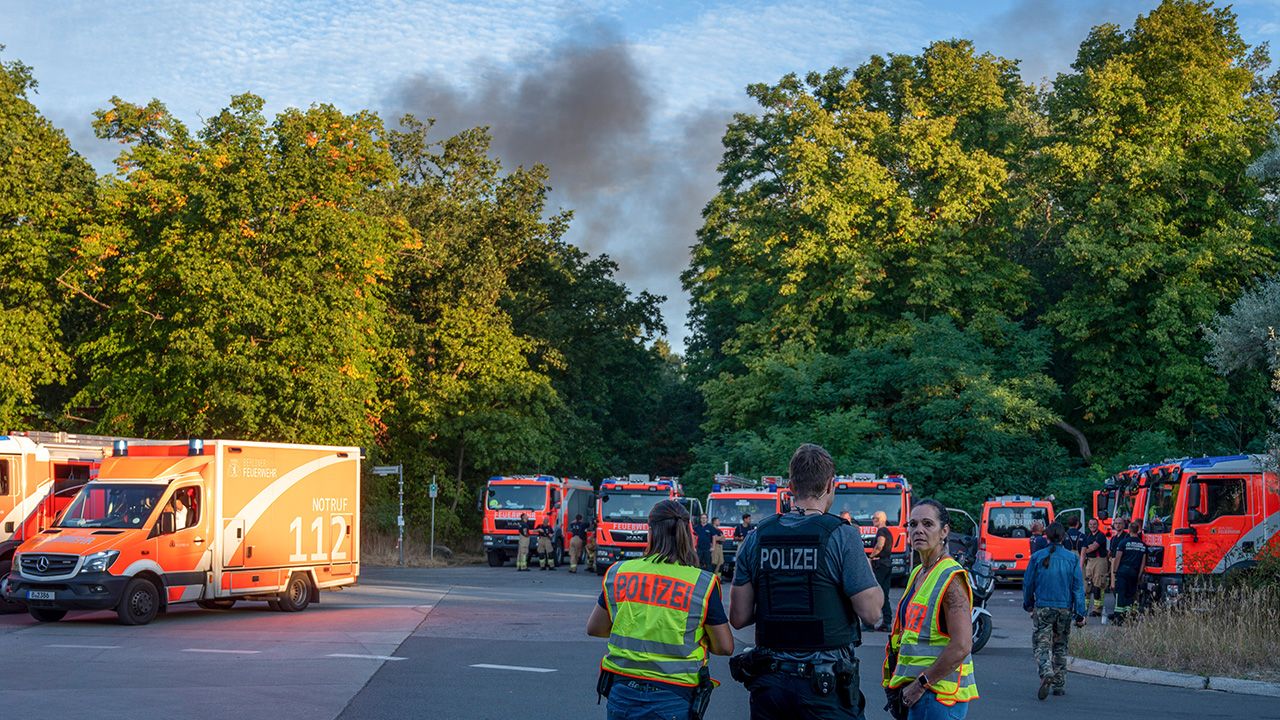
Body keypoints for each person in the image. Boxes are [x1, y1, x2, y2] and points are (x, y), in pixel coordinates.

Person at [730, 443, 884, 720]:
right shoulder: (842, 535)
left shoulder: (756, 537)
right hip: (823, 687)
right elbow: (872, 613)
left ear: (790, 485)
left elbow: (739, 617)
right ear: (830, 484)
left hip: (770, 684)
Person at [587, 499, 733, 720]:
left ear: (650, 530)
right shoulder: (701, 583)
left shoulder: (620, 572)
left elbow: (595, 628)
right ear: (687, 532)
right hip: (673, 696)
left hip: (623, 692)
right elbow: (724, 647)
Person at [883, 499, 979, 719]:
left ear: (944, 531)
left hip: (936, 696)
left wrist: (920, 684)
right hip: (918, 694)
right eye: (913, 524)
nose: (919, 530)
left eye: (928, 524)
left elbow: (962, 644)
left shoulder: (950, 578)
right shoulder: (919, 573)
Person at [1023, 522, 1086, 700]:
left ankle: (1046, 671)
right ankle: (1059, 684)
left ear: (1047, 537)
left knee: (1041, 644)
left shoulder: (1037, 557)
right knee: (1060, 646)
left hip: (1043, 607)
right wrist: (1080, 613)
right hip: (1064, 609)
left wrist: (1028, 604)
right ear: (1064, 538)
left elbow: (1028, 583)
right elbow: (1077, 588)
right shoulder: (1072, 558)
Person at [1109, 518, 1146, 624]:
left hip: (1122, 572)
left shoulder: (1123, 542)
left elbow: (1118, 558)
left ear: (1129, 530)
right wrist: (1139, 575)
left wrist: (1114, 572)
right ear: (1138, 530)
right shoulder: (1142, 545)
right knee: (1130, 595)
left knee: (1120, 594)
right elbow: (1143, 563)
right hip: (1134, 573)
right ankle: (1129, 617)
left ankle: (1118, 619)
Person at [865, 510, 893, 633]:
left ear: (880, 519)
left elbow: (880, 545)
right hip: (887, 564)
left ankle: (869, 623)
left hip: (880, 564)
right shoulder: (888, 531)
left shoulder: (881, 531)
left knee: (873, 592)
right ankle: (886, 622)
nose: (872, 520)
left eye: (874, 518)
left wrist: (871, 556)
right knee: (884, 594)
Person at [1081, 517, 1110, 617]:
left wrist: (1083, 551)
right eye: (1090, 524)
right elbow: (1086, 548)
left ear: (1097, 525)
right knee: (1088, 585)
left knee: (1098, 585)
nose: (1092, 526)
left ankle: (1097, 610)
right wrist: (1085, 551)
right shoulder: (1088, 536)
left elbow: (1093, 547)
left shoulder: (1101, 535)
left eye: (1094, 524)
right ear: (1088, 525)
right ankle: (1085, 608)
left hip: (1099, 561)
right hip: (1089, 561)